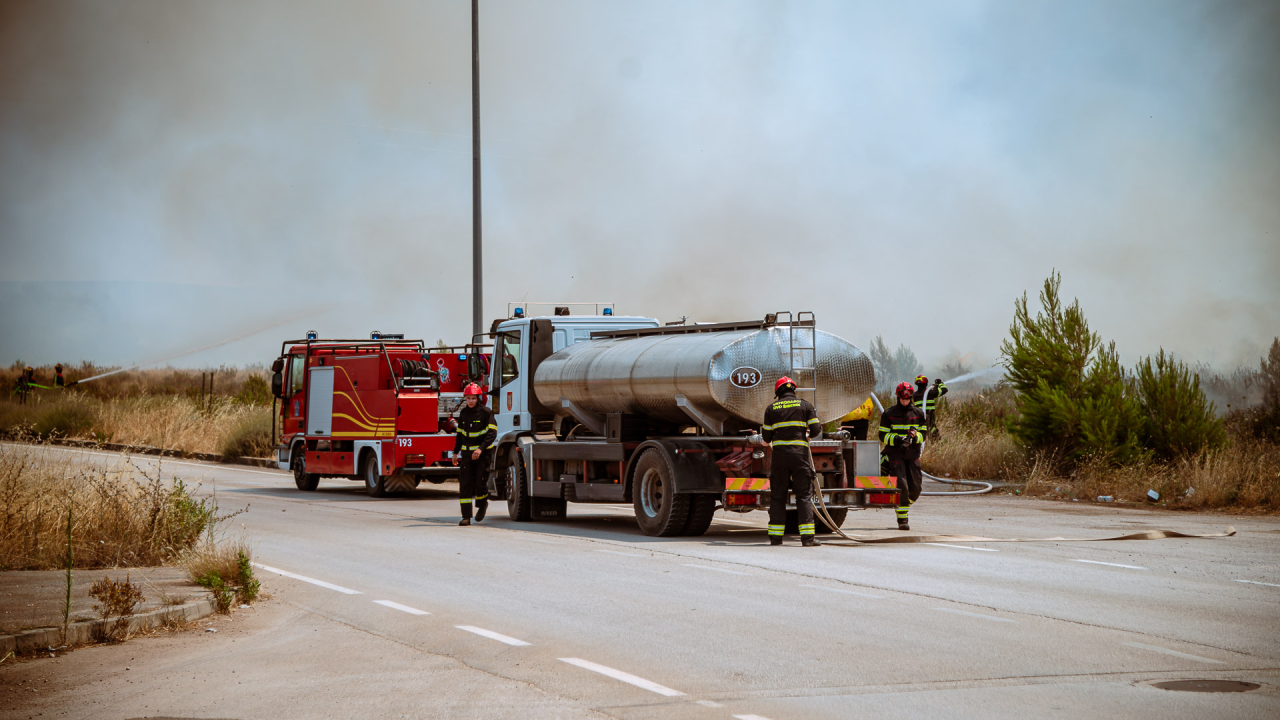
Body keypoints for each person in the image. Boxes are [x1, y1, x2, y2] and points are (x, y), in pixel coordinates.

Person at [760, 376, 822, 547]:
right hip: (800, 457)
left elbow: (766, 437)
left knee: (778, 496)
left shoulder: (771, 409)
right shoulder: (805, 405)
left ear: (777, 393)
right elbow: (816, 430)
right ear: (793, 390)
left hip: (779, 458)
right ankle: (807, 539)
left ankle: (775, 538)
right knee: (803, 496)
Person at [879, 381, 927, 531]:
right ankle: (902, 519)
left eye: (907, 398)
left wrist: (915, 436)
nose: (905, 401)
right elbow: (882, 435)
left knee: (916, 488)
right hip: (895, 454)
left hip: (912, 454)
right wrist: (897, 439)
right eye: (902, 398)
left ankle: (901, 505)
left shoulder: (918, 414)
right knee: (903, 486)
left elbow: (924, 434)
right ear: (898, 397)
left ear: (911, 397)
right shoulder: (889, 413)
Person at [451, 383, 496, 526]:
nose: (471, 401)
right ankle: (466, 517)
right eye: (468, 398)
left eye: (473, 398)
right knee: (464, 485)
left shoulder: (486, 413)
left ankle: (482, 505)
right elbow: (460, 435)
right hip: (466, 456)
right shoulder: (463, 414)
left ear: (478, 398)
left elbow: (492, 433)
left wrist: (480, 449)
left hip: (482, 455)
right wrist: (455, 452)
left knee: (479, 483)